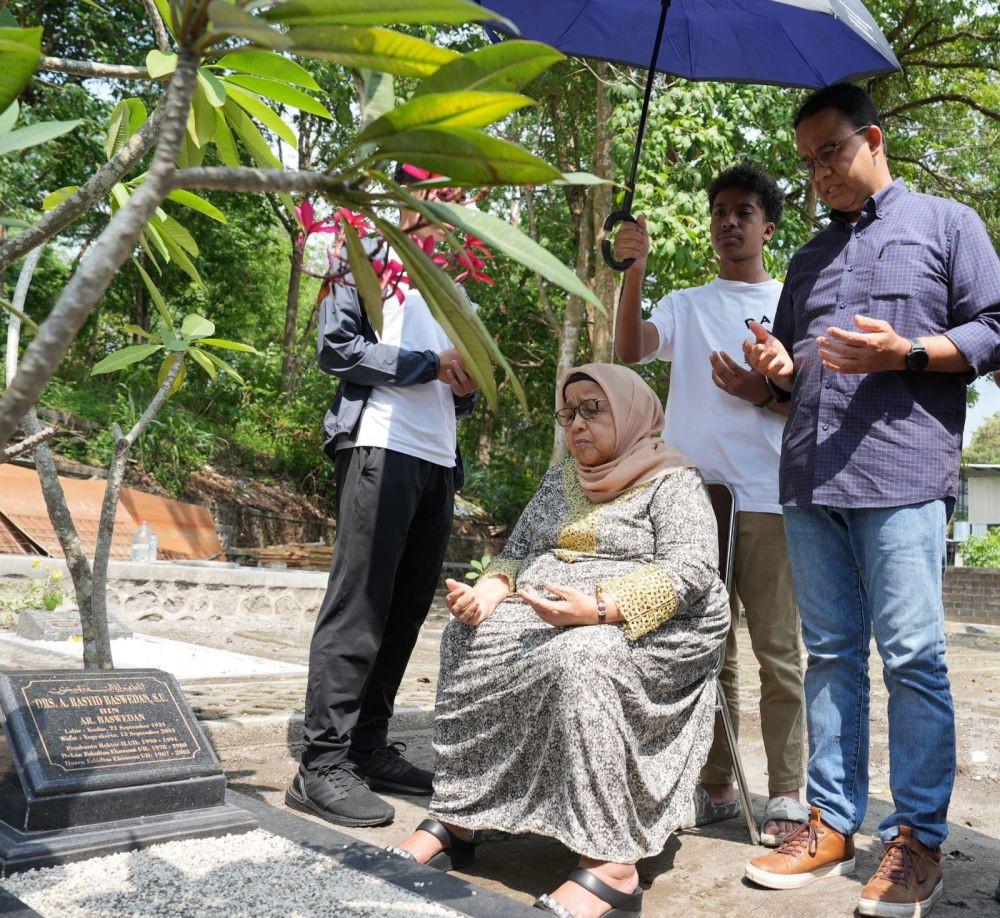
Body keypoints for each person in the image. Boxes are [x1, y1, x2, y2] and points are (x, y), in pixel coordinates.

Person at [742, 83, 1000, 917]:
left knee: (916, 656)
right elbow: (790, 371)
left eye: (831, 153)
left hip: (900, 474)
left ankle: (918, 839)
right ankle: (830, 821)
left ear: (874, 139)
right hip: (811, 477)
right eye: (807, 162)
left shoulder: (947, 225)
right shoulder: (809, 259)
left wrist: (909, 353)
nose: (818, 174)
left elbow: (993, 325)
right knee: (830, 654)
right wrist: (777, 375)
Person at [388, 363, 729, 918]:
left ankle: (610, 864)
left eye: (593, 409)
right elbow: (519, 550)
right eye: (568, 413)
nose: (576, 425)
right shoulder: (564, 477)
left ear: (632, 411)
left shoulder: (673, 478)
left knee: (582, 658)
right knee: (467, 637)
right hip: (550, 609)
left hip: (645, 622)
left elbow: (692, 570)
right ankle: (462, 814)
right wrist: (491, 589)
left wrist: (598, 609)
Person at [613, 164, 807, 845]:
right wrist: (632, 268)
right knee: (704, 647)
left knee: (779, 651)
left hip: (771, 498)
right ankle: (715, 785)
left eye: (744, 211)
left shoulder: (792, 303)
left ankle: (787, 795)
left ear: (768, 226)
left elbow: (810, 399)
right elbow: (625, 349)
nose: (730, 221)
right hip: (692, 499)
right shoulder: (687, 302)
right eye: (720, 210)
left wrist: (761, 387)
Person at [285, 167, 478, 828]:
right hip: (379, 441)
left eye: (457, 196)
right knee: (360, 603)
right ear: (405, 193)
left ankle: (367, 747)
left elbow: (466, 384)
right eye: (440, 190)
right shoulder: (363, 250)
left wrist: (467, 379)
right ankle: (321, 762)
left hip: (437, 456)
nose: (451, 204)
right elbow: (338, 349)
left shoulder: (452, 282)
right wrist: (430, 365)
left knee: (404, 610)